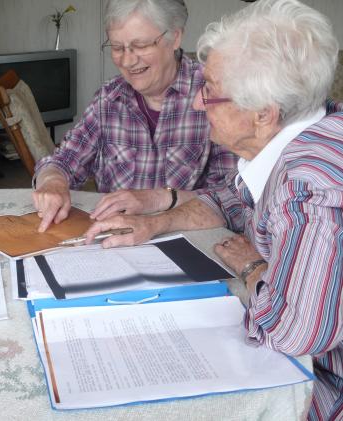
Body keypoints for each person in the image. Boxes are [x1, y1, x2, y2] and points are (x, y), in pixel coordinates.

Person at [85, 0, 343, 418]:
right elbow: (227, 200)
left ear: (263, 114)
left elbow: (297, 335)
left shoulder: (307, 185)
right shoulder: (307, 132)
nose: (197, 104)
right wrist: (155, 220)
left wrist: (253, 268)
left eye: (210, 90)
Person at [32, 0, 237, 232]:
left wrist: (159, 199)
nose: (128, 61)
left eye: (140, 45)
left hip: (186, 240)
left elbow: (234, 198)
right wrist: (53, 181)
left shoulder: (214, 95)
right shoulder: (109, 99)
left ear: (175, 37)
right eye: (118, 48)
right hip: (117, 240)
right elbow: (64, 160)